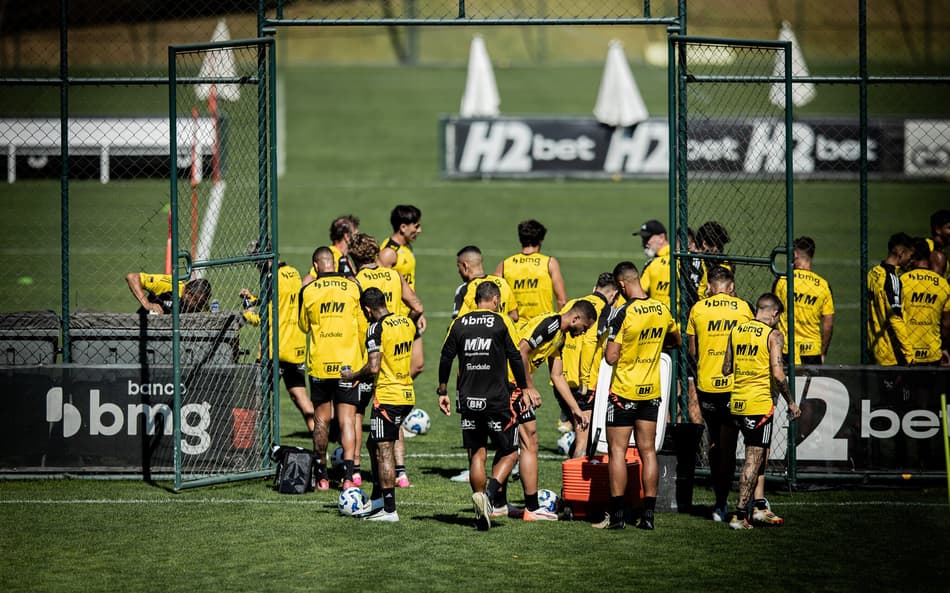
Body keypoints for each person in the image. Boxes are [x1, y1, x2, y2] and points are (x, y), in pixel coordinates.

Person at [594, 261, 680, 530]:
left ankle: (618, 517)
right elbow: (676, 341)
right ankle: (648, 516)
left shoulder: (623, 313)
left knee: (617, 451)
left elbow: (611, 357)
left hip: (624, 392)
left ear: (621, 285)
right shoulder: (661, 308)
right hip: (651, 392)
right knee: (648, 451)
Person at [437, 281, 529, 531]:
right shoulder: (501, 321)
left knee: (477, 453)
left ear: (476, 299)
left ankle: (480, 510)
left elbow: (446, 356)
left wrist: (443, 389)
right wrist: (525, 387)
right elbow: (515, 356)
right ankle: (487, 496)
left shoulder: (460, 323)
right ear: (496, 300)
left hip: (468, 398)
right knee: (510, 452)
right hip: (497, 398)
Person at [499, 299, 596, 521]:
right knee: (529, 441)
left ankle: (497, 502)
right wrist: (529, 388)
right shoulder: (551, 324)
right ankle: (531, 508)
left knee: (512, 444)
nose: (583, 333)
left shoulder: (559, 337)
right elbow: (521, 352)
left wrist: (575, 410)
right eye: (585, 327)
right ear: (575, 318)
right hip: (510, 383)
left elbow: (557, 376)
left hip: (513, 383)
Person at [349, 232, 424, 487]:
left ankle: (355, 471)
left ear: (353, 257)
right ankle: (401, 472)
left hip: (366, 352)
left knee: (358, 414)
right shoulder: (394, 274)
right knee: (394, 417)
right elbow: (417, 306)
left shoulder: (356, 280)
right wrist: (406, 325)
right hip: (395, 354)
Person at [721, 293, 801, 529]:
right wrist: (791, 401)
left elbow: (726, 368)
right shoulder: (773, 335)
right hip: (758, 405)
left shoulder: (736, 330)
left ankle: (759, 508)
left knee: (759, 457)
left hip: (736, 402)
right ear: (775, 314)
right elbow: (777, 374)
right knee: (753, 460)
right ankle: (739, 516)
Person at [342, 287, 417, 522]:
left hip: (388, 397)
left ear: (366, 309)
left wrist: (352, 375)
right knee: (373, 443)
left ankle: (389, 509)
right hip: (406, 394)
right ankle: (377, 498)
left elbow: (374, 367)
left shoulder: (376, 328)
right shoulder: (405, 323)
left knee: (384, 450)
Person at [685, 266, 753, 521]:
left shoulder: (698, 309)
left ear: (710, 285)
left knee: (715, 441)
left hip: (708, 385)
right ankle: (735, 502)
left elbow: (693, 351)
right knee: (732, 444)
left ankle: (720, 502)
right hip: (735, 384)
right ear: (731, 286)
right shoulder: (743, 309)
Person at [298, 245, 365, 491]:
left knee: (321, 419)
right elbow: (361, 328)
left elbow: (304, 326)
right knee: (347, 420)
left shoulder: (308, 290)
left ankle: (322, 477)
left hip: (320, 365)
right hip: (348, 364)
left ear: (316, 266)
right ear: (335, 264)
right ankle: (348, 478)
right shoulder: (353, 287)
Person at [239, 243, 312, 433]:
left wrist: (247, 311)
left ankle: (253, 445)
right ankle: (320, 447)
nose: (255, 266)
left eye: (255, 261)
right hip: (295, 348)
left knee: (255, 397)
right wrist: (254, 298)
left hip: (273, 349)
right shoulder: (293, 273)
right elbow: (280, 302)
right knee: (301, 397)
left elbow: (260, 319)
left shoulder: (271, 280)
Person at [557, 272, 620, 457]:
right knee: (585, 440)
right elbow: (589, 343)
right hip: (585, 384)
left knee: (581, 434)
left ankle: (571, 480)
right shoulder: (606, 311)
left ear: (594, 289)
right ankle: (576, 485)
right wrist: (585, 380)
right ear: (614, 295)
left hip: (561, 380)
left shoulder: (573, 305)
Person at [771, 236, 835, 364]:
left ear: (794, 254)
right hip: (812, 351)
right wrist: (822, 352)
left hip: (786, 348)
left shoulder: (783, 281)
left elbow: (772, 314)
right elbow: (828, 324)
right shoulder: (823, 285)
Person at [494, 219, 568, 322]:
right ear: (541, 240)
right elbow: (562, 301)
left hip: (515, 330)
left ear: (520, 239)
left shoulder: (504, 265)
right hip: (543, 328)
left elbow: (493, 299)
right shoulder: (549, 263)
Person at [866, 232, 915, 366]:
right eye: (910, 256)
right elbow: (895, 319)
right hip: (890, 353)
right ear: (901, 253)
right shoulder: (892, 280)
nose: (912, 260)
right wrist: (909, 354)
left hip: (874, 345)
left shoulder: (873, 272)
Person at [900, 239, 950, 366]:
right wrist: (943, 347)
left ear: (912, 257)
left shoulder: (902, 281)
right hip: (933, 352)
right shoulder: (943, 284)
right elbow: (946, 323)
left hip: (906, 353)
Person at [453, 245, 518, 322]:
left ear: (465, 265)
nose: (459, 271)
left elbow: (458, 322)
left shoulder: (465, 289)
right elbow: (514, 316)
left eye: (458, 266)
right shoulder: (502, 283)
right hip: (501, 333)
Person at [302, 214, 360, 284]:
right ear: (347, 236)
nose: (358, 239)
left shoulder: (342, 256)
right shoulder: (331, 256)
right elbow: (308, 280)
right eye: (356, 235)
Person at [125, 272, 211, 314]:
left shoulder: (201, 304)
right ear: (187, 291)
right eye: (194, 300)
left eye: (200, 303)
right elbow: (132, 277)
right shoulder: (168, 285)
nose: (195, 305)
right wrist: (147, 304)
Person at [635, 219, 672, 308]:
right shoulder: (682, 258)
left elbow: (638, 293)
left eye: (648, 238)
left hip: (659, 317)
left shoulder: (652, 264)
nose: (645, 243)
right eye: (643, 239)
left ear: (661, 238)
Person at [694, 221, 734, 301]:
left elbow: (732, 293)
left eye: (721, 245)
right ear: (704, 244)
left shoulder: (726, 263)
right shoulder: (692, 263)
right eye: (718, 245)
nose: (720, 249)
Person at [926, 209, 950, 278]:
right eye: (949, 228)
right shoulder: (926, 247)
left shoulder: (939, 250)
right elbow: (935, 283)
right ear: (938, 230)